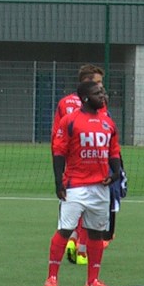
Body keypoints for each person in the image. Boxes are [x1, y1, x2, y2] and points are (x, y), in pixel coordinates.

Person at [44, 79, 123, 286]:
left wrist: (116, 173)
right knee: (65, 229)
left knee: (96, 233)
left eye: (103, 92)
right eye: (98, 93)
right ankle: (52, 277)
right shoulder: (70, 121)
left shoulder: (108, 122)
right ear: (86, 98)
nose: (103, 96)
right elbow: (59, 151)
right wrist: (58, 181)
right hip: (75, 185)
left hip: (100, 187)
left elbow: (113, 151)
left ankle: (92, 280)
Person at [52, 63, 105, 267]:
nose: (101, 87)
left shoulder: (64, 103)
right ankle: (81, 248)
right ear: (87, 82)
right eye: (98, 82)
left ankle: (72, 238)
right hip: (91, 160)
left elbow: (57, 135)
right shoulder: (97, 103)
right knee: (90, 205)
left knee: (73, 203)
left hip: (70, 161)